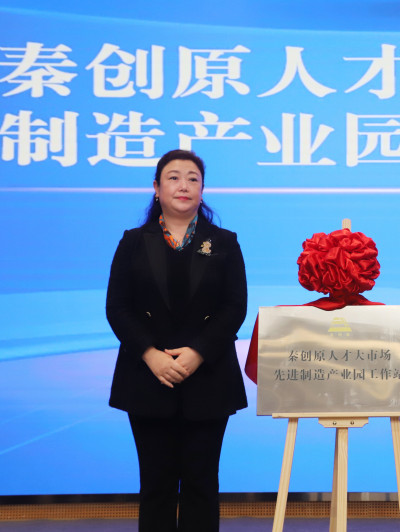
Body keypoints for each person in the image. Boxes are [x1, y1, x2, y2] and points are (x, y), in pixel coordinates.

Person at [106, 149, 248, 532]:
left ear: (202, 190)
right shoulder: (133, 242)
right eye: (173, 177)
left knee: (202, 485)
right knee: (156, 486)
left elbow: (234, 307)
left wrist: (198, 353)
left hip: (208, 378)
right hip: (148, 378)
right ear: (156, 188)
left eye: (192, 178)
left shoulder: (224, 242)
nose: (183, 185)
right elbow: (117, 308)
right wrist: (150, 354)